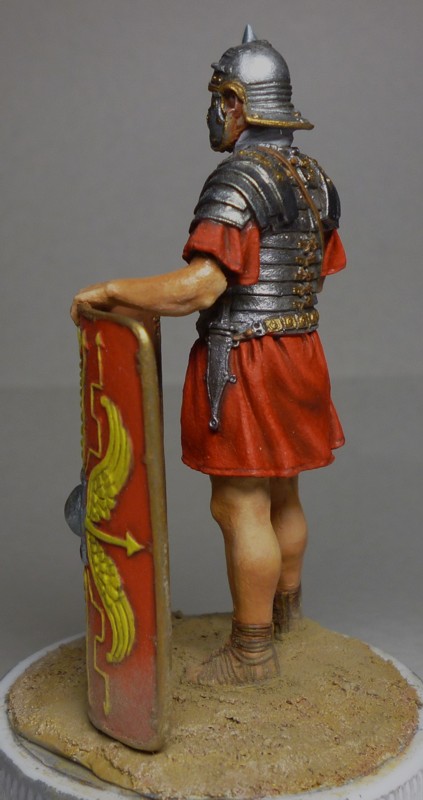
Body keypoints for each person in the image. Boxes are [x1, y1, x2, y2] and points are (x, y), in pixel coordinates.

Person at [71, 26, 346, 687]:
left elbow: (200, 287)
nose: (213, 113)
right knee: (283, 490)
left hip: (247, 359)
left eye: (217, 98)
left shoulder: (240, 179)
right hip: (300, 349)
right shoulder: (314, 177)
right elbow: (318, 268)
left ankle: (251, 653)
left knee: (240, 504)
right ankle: (284, 615)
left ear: (235, 103)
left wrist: (113, 291)